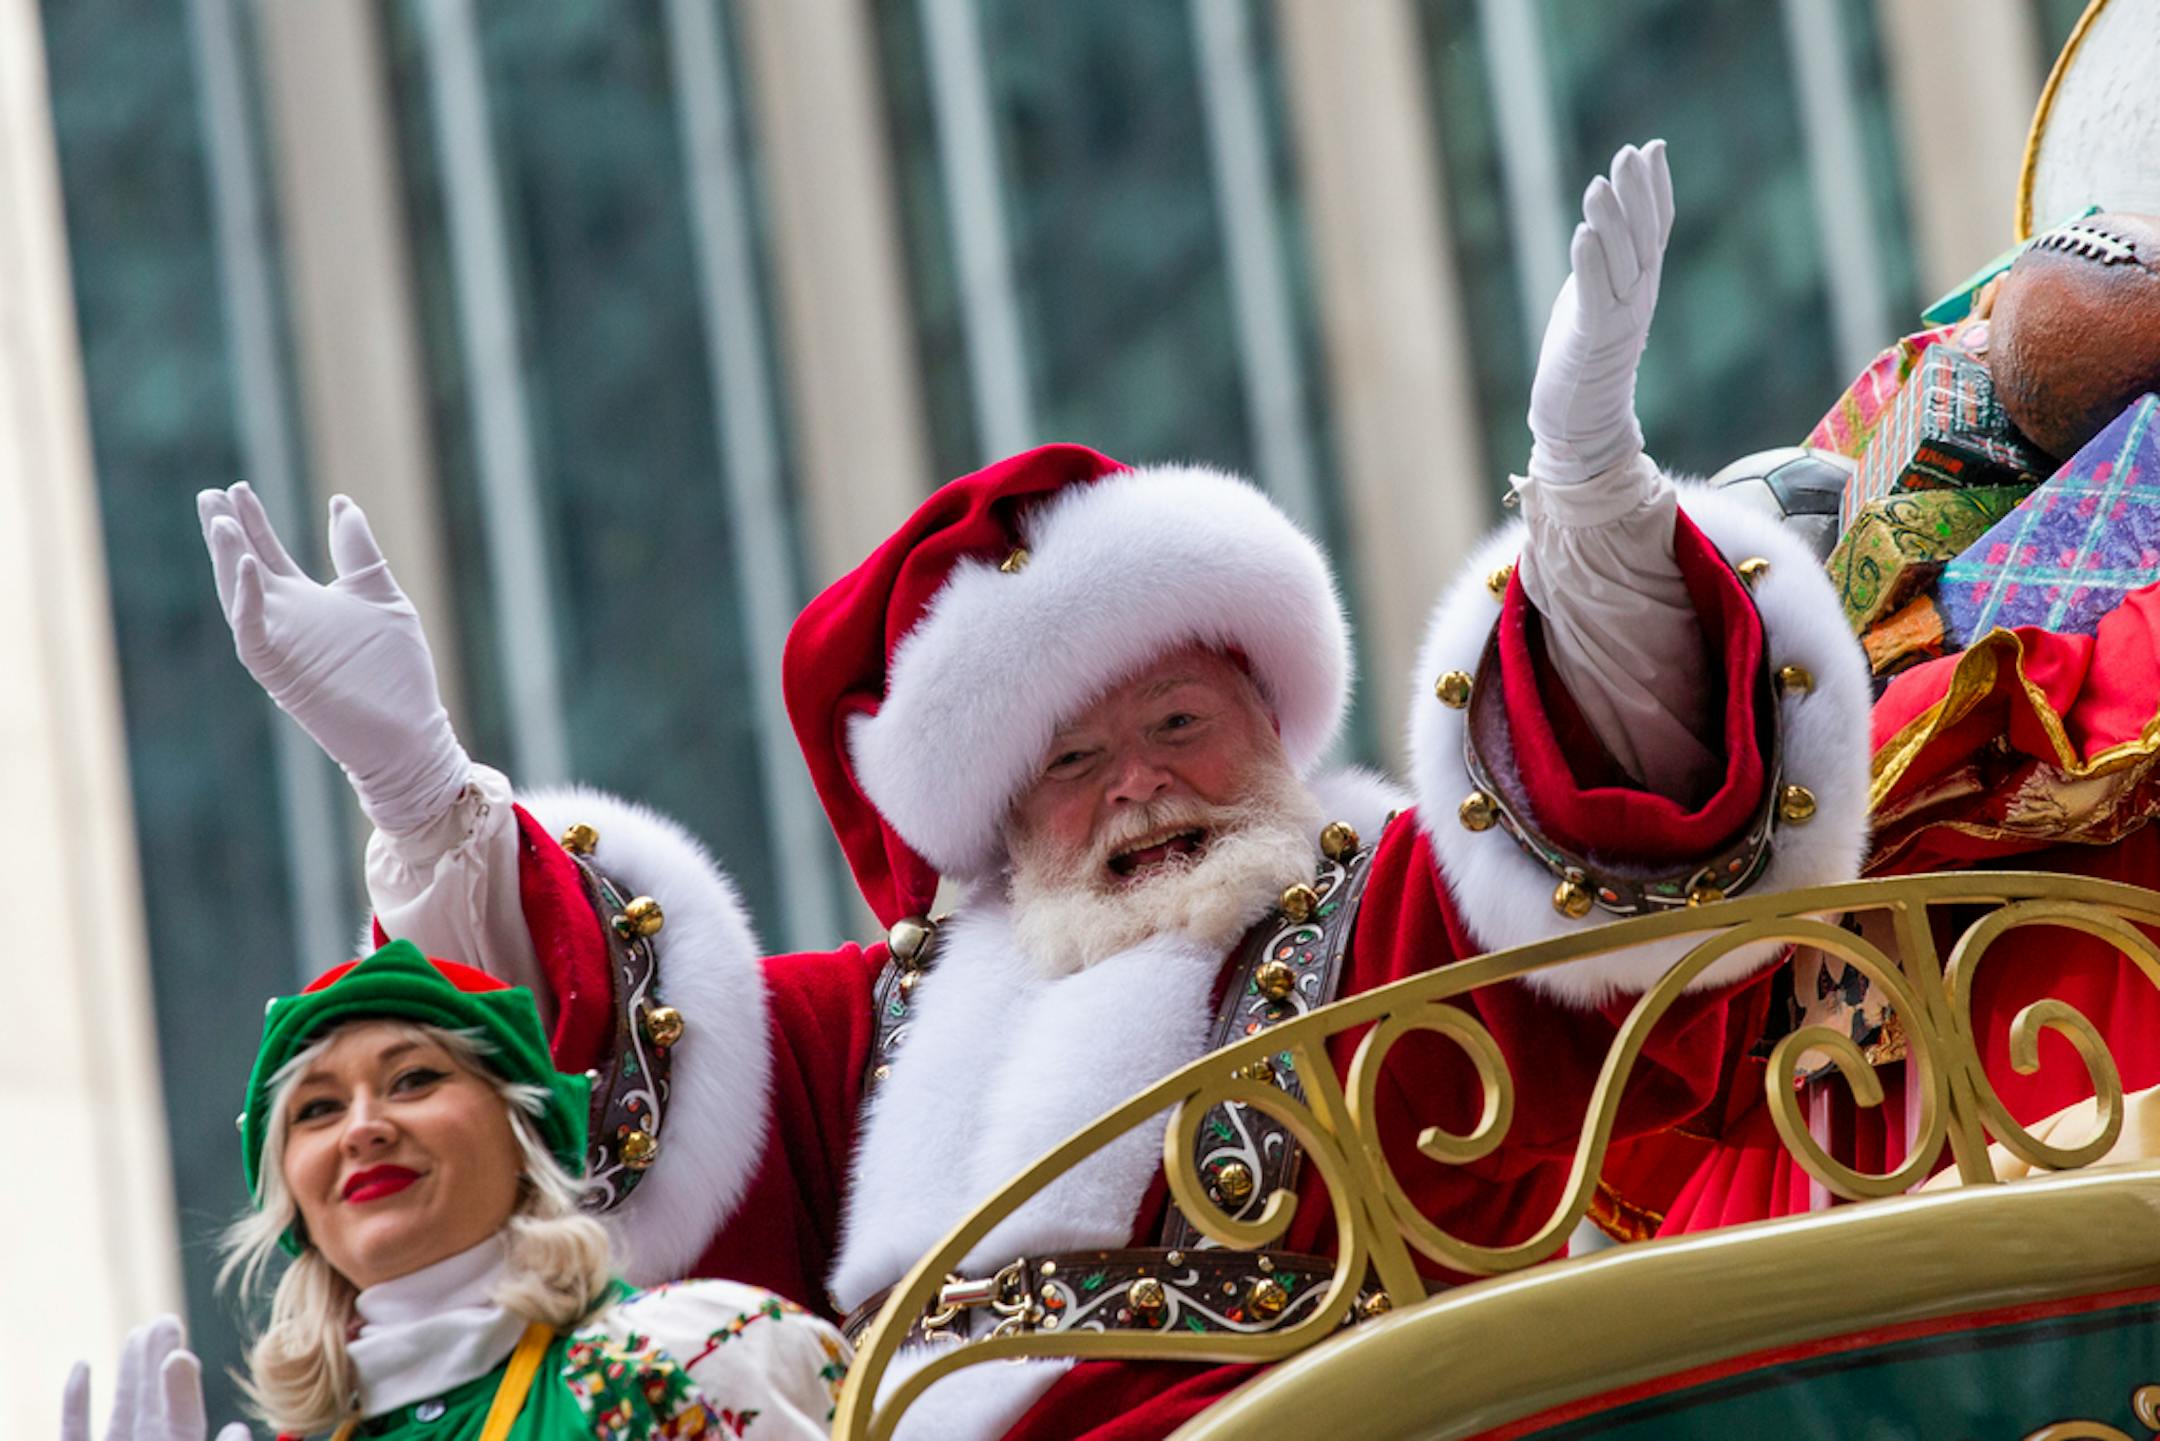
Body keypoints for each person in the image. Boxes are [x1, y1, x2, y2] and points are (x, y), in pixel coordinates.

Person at [195, 142, 1873, 1439]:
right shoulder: (891, 1033)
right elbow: (580, 1079)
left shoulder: (1387, 907)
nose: (1142, 786)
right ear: (1001, 824)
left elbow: (1613, 807)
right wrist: (424, 795)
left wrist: (1590, 503)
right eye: (1072, 760)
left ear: (1273, 720)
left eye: (1183, 720)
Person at [65, 941, 848, 1440]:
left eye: (414, 1078)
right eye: (318, 1109)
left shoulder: (687, 1362)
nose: (361, 1128)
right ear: (294, 1202)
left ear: (524, 1135)